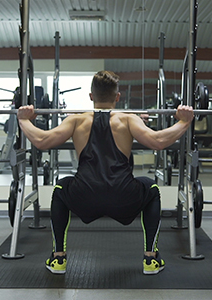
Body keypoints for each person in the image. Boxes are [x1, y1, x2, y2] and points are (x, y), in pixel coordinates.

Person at [17, 70, 194, 275]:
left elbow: (42, 141)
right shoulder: (128, 119)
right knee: (151, 188)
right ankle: (151, 259)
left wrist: (24, 120)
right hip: (123, 196)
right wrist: (184, 121)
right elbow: (158, 141)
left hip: (85, 195)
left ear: (91, 96)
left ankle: (58, 259)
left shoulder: (76, 120)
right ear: (117, 97)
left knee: (60, 189)